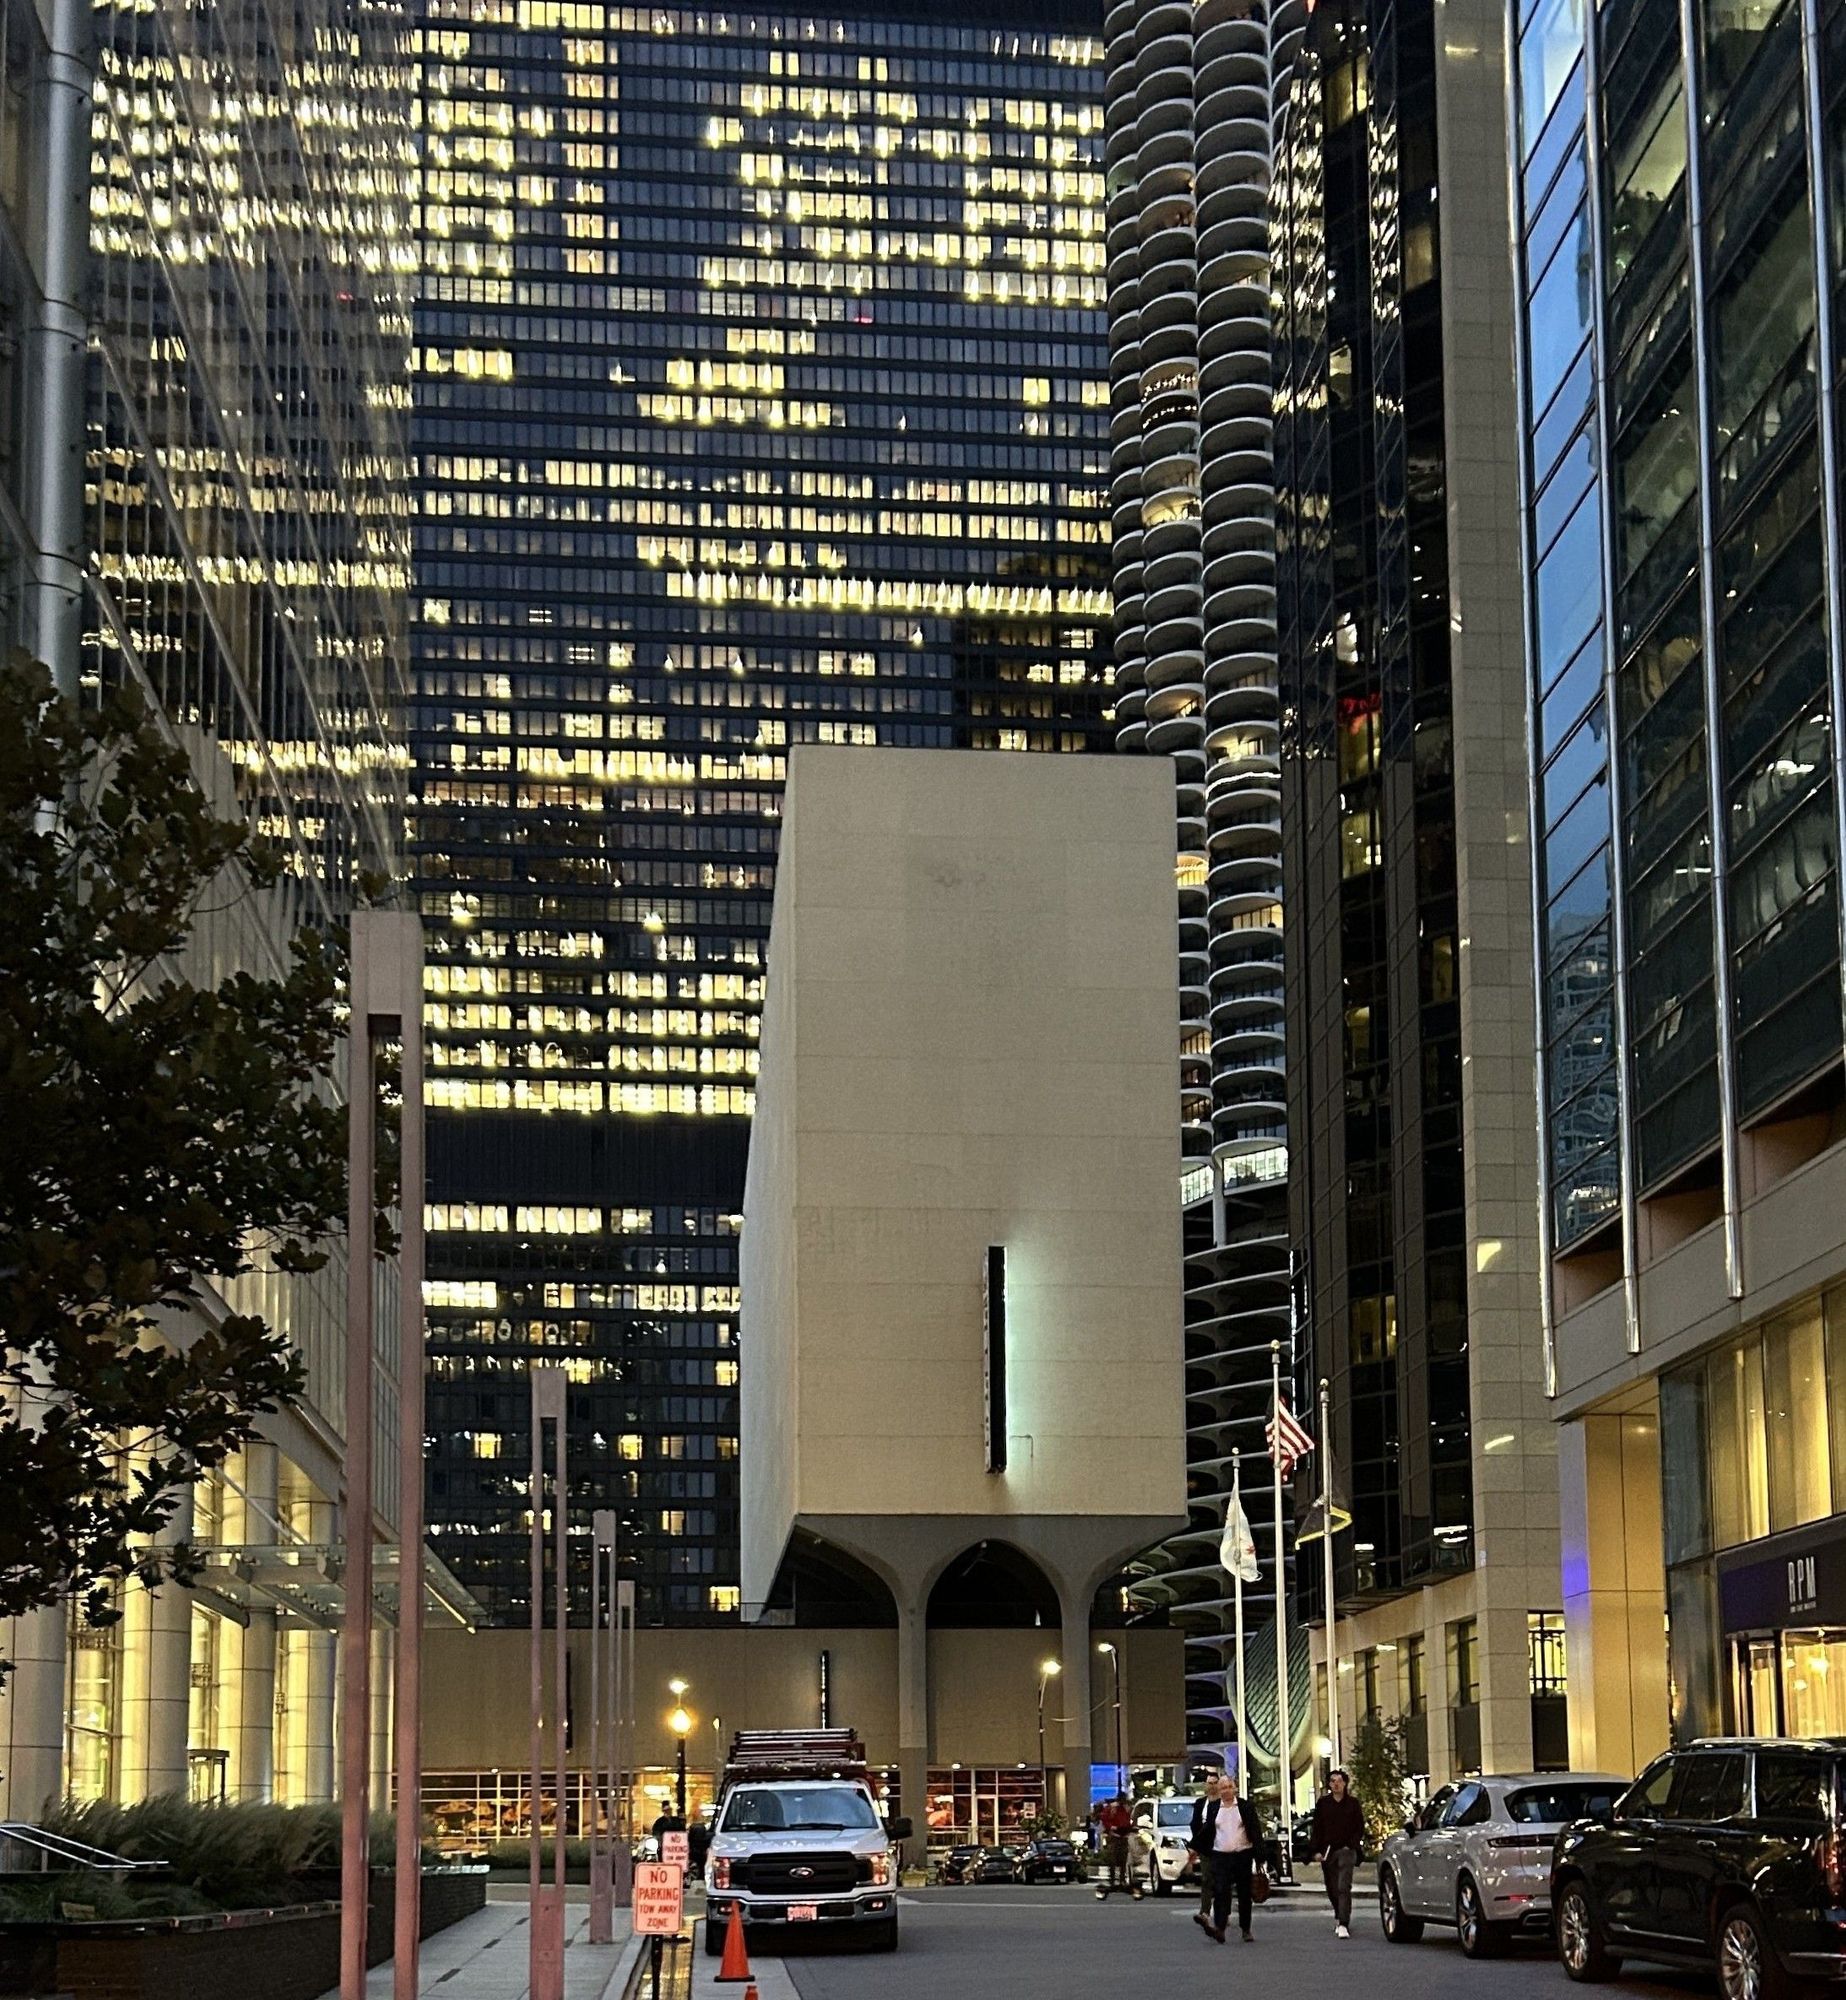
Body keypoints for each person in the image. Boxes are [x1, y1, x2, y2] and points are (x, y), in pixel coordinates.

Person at [1197, 1772, 1263, 1943]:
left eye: (1229, 1787)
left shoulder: (1245, 1807)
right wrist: (1196, 1847)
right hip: (1220, 1855)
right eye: (1223, 1788)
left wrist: (1260, 1856)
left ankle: (1246, 1928)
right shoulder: (1214, 1808)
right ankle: (1220, 1928)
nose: (1226, 1791)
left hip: (1242, 1854)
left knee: (1244, 1893)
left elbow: (1255, 1830)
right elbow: (1208, 1830)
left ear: (1235, 1789)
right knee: (1221, 1891)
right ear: (1219, 1790)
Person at [1310, 1767, 1365, 1938]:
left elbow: (1359, 1826)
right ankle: (1339, 1912)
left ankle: (1343, 1922)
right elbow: (1317, 1828)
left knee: (1343, 1886)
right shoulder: (1323, 1804)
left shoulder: (1353, 1804)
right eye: (1333, 1781)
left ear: (1345, 1783)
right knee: (1332, 1886)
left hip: (1347, 1849)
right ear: (1329, 1784)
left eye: (1339, 1781)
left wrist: (1352, 1845)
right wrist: (1316, 1851)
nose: (1336, 1784)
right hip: (1328, 1850)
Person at [1187, 1773, 1224, 1931]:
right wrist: (1196, 1844)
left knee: (1221, 1882)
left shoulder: (1224, 1803)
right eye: (1210, 1783)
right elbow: (1194, 1824)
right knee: (1207, 1879)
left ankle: (1222, 1912)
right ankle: (1205, 1911)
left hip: (1222, 1847)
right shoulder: (1200, 1803)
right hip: (1205, 1847)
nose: (1212, 1786)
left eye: (1215, 1783)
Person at [1093, 1793, 1133, 1898]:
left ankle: (1122, 1880)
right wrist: (1111, 1827)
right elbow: (1104, 1818)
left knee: (1123, 1859)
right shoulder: (1112, 1808)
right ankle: (1112, 1880)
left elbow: (1130, 1819)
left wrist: (1128, 1828)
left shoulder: (1127, 1808)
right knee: (1113, 1859)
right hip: (1114, 1836)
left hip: (1124, 1835)